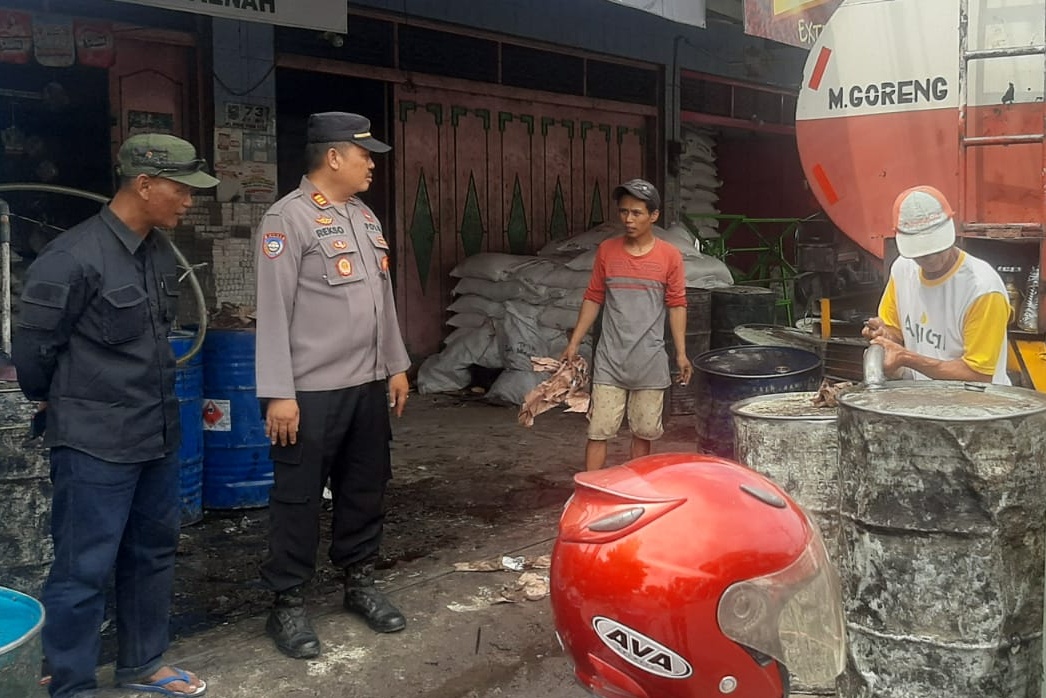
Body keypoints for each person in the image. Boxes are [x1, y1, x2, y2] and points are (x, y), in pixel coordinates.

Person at [12, 134, 218, 698]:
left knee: (151, 553)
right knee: (84, 569)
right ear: (144, 185)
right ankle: (72, 684)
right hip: (94, 442)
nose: (187, 201)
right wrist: (58, 402)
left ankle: (143, 665)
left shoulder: (153, 251)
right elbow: (32, 350)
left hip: (155, 432)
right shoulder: (72, 256)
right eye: (180, 189)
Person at [254, 112, 411, 659]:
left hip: (367, 383)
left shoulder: (365, 217)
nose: (372, 163)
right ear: (334, 156)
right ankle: (289, 602)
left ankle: (359, 581)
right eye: (365, 153)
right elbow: (272, 312)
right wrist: (278, 391)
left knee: (365, 487)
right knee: (297, 497)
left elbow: (381, 299)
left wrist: (396, 363)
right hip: (309, 391)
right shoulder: (287, 220)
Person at [562, 178, 692, 471]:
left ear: (654, 215)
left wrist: (682, 353)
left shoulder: (669, 256)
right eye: (623, 212)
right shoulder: (607, 251)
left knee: (644, 432)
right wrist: (573, 343)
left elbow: (677, 305)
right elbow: (594, 297)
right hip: (610, 359)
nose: (628, 219)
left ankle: (637, 493)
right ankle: (591, 491)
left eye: (637, 213)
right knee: (598, 431)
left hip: (650, 360)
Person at [862, 185, 1011, 385]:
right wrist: (884, 336)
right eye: (921, 253)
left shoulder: (982, 289)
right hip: (926, 402)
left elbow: (979, 375)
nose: (930, 258)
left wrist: (907, 358)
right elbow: (894, 332)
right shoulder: (902, 270)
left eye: (936, 249)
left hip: (978, 409)